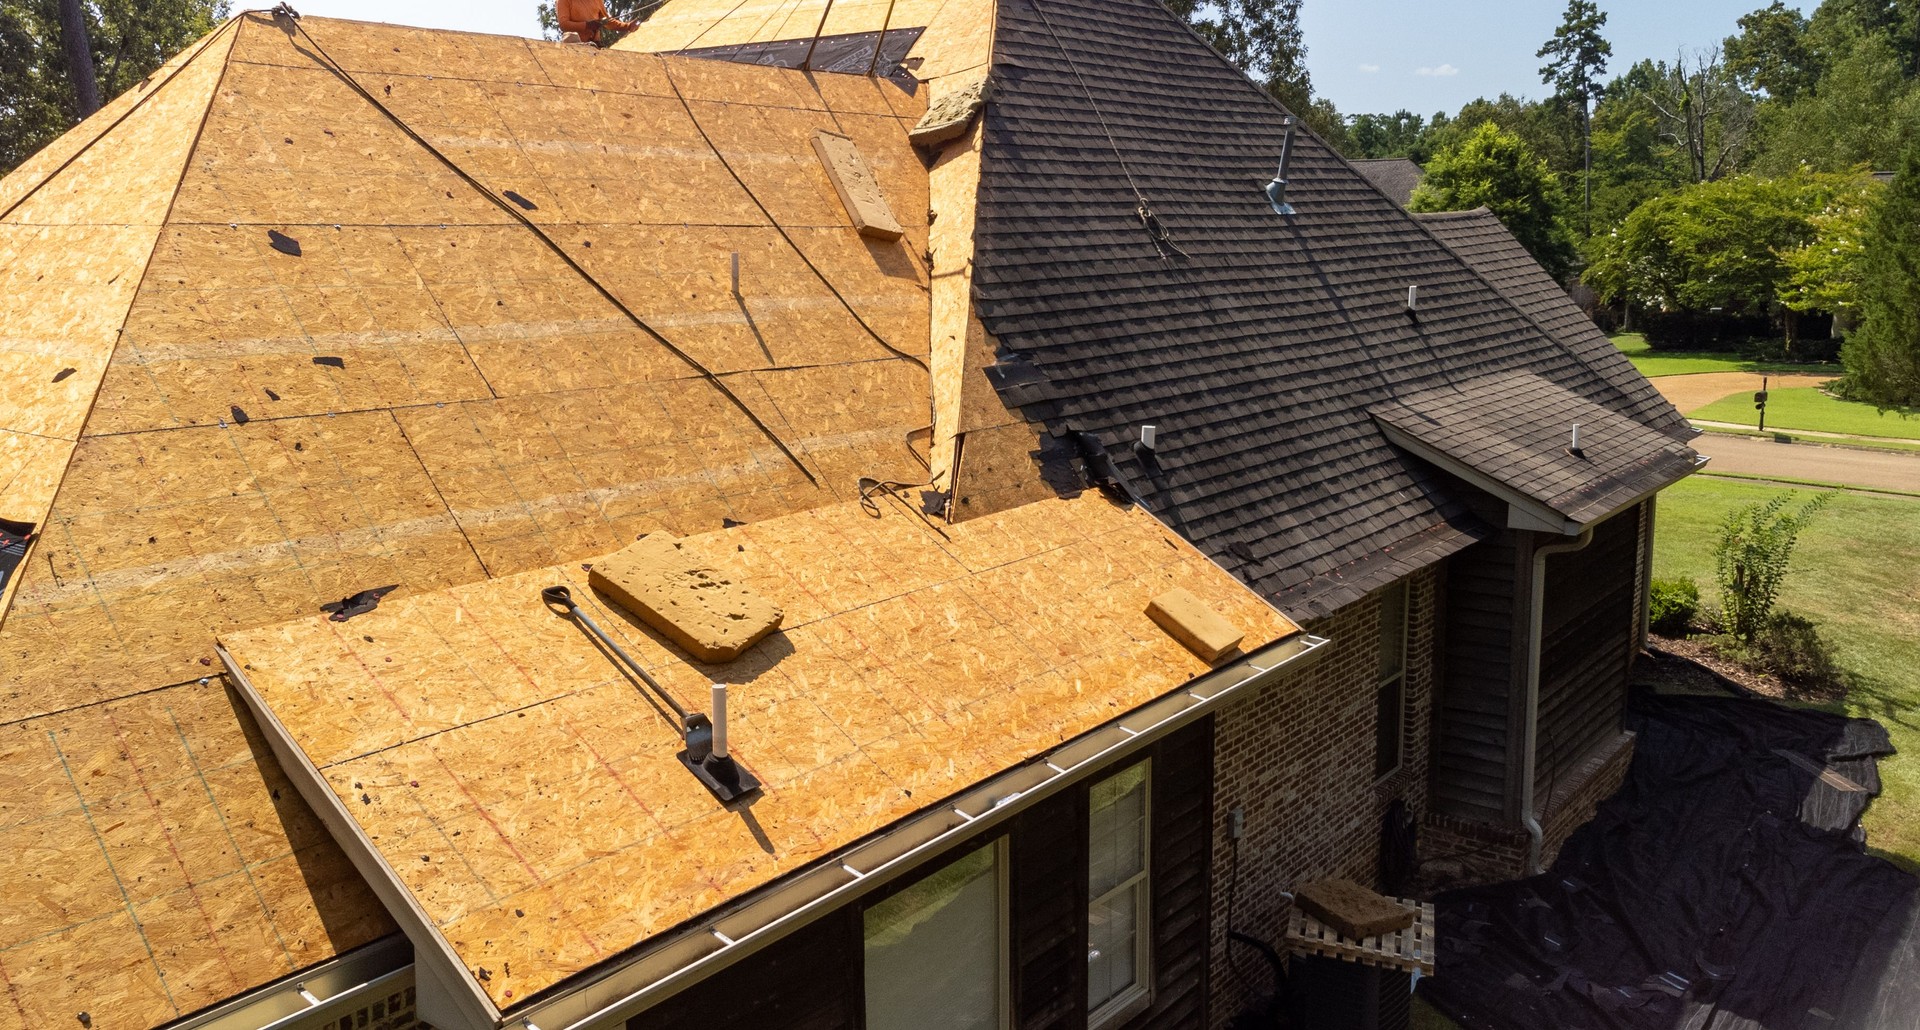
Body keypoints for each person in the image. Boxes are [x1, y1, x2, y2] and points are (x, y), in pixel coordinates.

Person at [556, 0, 635, 46]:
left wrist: (627, 26)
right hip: (575, 47)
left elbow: (607, 21)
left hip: (594, 46)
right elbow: (564, 25)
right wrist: (587, 25)